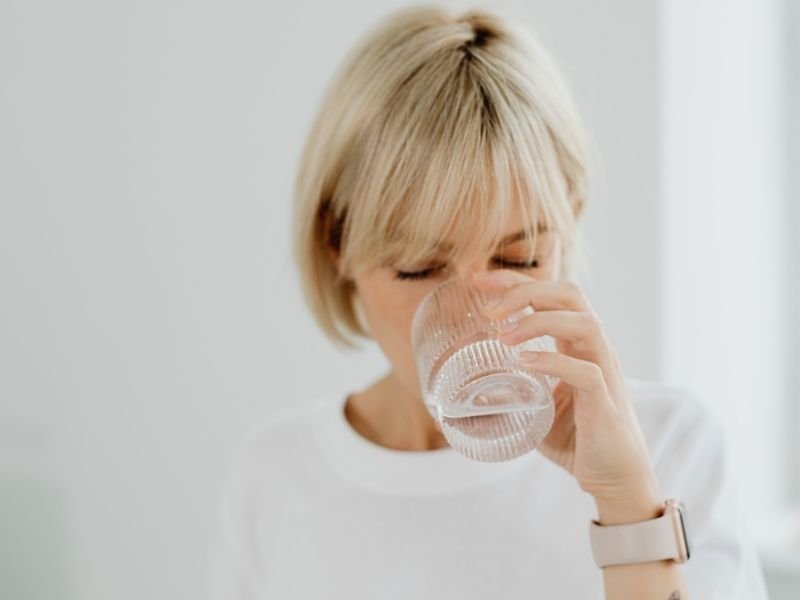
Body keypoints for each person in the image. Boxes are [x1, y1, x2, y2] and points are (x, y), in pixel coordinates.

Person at [209, 4, 769, 598]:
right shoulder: (276, 477)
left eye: (520, 259)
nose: (480, 317)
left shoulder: (670, 446)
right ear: (336, 244)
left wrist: (628, 506)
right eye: (419, 266)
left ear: (567, 221)